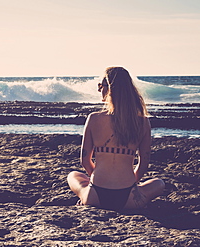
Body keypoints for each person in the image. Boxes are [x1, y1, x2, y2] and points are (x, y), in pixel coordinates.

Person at [67, 66, 165, 211]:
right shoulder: (143, 122)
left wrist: (98, 179)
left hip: (95, 196)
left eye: (101, 85)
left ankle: (85, 195)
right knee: (159, 183)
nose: (99, 89)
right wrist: (131, 184)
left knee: (73, 176)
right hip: (129, 199)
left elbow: (85, 160)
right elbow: (143, 164)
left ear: (109, 88)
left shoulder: (94, 119)